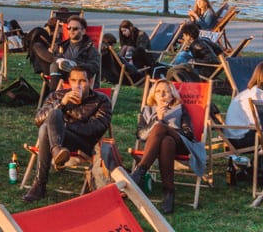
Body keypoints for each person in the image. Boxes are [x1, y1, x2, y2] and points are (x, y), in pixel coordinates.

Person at [21, 65, 112, 202]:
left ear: (90, 81)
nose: (77, 85)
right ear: (69, 81)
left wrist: (61, 127)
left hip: (82, 143)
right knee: (49, 121)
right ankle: (57, 151)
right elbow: (38, 119)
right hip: (57, 141)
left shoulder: (101, 101)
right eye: (74, 81)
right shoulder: (58, 96)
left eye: (82, 81)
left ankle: (40, 185)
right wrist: (62, 104)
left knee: (48, 126)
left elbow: (95, 129)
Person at [129, 80, 204, 214]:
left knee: (161, 128)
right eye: (158, 91)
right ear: (153, 94)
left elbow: (188, 134)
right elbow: (141, 135)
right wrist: (157, 118)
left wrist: (163, 125)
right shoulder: (147, 110)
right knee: (166, 141)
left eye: (166, 91)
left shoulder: (180, 108)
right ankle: (169, 191)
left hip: (181, 143)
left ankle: (140, 171)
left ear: (172, 95)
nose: (162, 94)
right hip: (162, 146)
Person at [46, 15, 101, 89]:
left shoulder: (90, 48)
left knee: (54, 66)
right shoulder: (61, 46)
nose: (71, 30)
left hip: (80, 75)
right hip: (63, 74)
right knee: (39, 48)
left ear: (83, 31)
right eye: (69, 28)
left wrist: (76, 65)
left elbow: (95, 66)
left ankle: (52, 96)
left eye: (75, 28)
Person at [224, 62, 263, 150]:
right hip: (240, 139)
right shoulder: (256, 95)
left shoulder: (251, 92)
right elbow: (259, 122)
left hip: (236, 135)